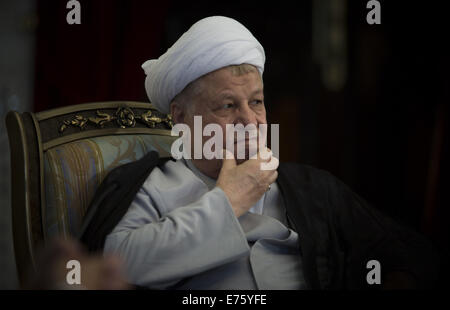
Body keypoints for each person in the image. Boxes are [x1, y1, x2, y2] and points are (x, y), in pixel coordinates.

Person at [80, 16, 438, 289]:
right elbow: (113, 266)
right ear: (180, 116)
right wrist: (228, 201)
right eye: (227, 105)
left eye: (256, 102)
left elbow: (406, 253)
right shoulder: (147, 187)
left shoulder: (311, 189)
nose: (249, 121)